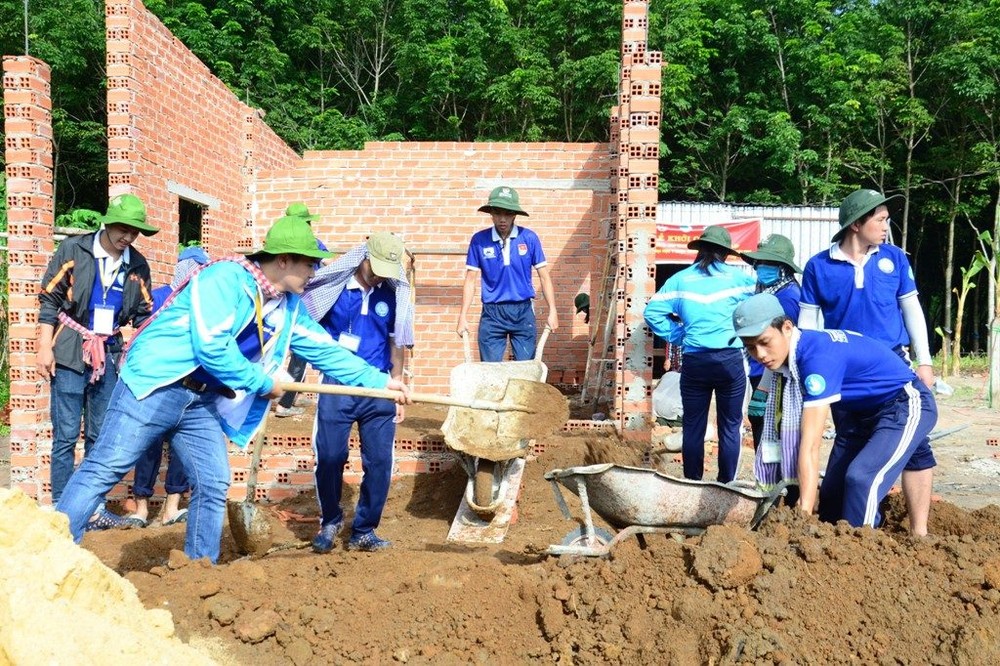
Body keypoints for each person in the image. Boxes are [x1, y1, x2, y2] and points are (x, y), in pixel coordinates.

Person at [56, 215, 410, 563]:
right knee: (106, 467)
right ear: (283, 260)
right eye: (309, 265)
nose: (314, 273)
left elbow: (326, 351)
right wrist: (262, 383)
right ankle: (50, 553)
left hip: (200, 399)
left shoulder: (288, 308)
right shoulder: (225, 279)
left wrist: (382, 382)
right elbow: (212, 347)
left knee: (212, 482)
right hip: (156, 384)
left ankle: (198, 569)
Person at [733, 293, 937, 530]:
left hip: (904, 402)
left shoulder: (817, 360)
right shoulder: (796, 353)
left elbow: (810, 445)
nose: (760, 355)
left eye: (765, 342)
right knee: (832, 497)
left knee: (862, 479)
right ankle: (914, 536)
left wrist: (804, 513)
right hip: (858, 413)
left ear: (787, 327)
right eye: (750, 348)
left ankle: (862, 552)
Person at [799, 188, 936, 535]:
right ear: (856, 224)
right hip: (847, 373)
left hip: (894, 366)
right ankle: (848, 526)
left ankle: (919, 532)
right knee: (852, 439)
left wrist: (925, 361)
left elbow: (911, 310)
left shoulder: (894, 259)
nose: (886, 226)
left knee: (915, 446)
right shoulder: (819, 266)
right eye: (881, 220)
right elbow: (808, 326)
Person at [37, 193, 158, 529]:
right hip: (71, 350)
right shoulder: (74, 251)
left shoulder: (137, 266)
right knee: (64, 435)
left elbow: (145, 316)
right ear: (108, 223)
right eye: (124, 229)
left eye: (135, 232)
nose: (129, 237)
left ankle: (92, 507)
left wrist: (138, 351)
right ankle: (62, 507)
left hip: (110, 353)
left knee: (99, 435)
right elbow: (50, 299)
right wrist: (44, 347)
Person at [300, 232, 413, 552]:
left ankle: (364, 529)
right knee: (331, 456)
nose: (379, 274)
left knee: (380, 461)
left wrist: (398, 383)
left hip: (379, 390)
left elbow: (397, 342)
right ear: (363, 256)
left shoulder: (391, 295)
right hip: (337, 385)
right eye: (375, 266)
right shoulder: (333, 291)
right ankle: (331, 520)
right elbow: (309, 332)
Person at [643, 226, 755, 483]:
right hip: (730, 360)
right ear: (726, 254)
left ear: (701, 249)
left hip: (695, 361)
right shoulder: (741, 280)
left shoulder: (681, 279)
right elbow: (760, 308)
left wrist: (678, 335)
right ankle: (727, 484)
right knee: (730, 426)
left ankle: (692, 481)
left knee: (693, 426)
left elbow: (652, 313)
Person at [125, 246, 210, 527]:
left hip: (188, 384)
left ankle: (171, 507)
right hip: (155, 383)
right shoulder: (158, 297)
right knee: (147, 445)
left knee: (181, 450)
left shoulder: (205, 302)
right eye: (193, 267)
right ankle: (141, 508)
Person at [457, 186, 558, 361]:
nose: (502, 219)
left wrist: (553, 310)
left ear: (514, 215)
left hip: (523, 310)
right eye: (498, 213)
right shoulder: (479, 241)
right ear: (491, 214)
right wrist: (462, 316)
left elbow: (544, 276)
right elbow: (470, 280)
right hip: (492, 313)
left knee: (525, 371)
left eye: (507, 213)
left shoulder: (529, 238)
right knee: (490, 371)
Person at [739, 234, 803, 504]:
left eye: (768, 263)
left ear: (783, 267)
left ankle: (785, 495)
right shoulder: (768, 293)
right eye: (758, 263)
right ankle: (772, 491)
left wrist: (764, 387)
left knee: (780, 435)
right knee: (767, 434)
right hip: (762, 373)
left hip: (777, 377)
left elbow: (784, 350)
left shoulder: (787, 299)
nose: (761, 268)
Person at [275, 202, 331, 417]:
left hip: (283, 302)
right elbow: (329, 265)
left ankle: (286, 397)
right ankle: (284, 404)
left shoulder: (281, 238)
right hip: (305, 304)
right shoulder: (313, 243)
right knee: (300, 353)